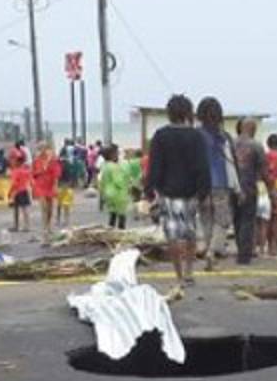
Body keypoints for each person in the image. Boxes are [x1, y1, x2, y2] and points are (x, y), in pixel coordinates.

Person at [146, 94, 211, 287]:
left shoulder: (161, 135)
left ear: (169, 113)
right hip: (191, 192)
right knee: (190, 232)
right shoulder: (196, 136)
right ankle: (190, 270)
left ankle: (179, 275)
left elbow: (154, 165)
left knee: (172, 234)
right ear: (187, 113)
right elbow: (203, 166)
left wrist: (149, 189)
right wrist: (203, 191)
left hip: (168, 192)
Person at [197, 97, 239, 269]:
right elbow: (233, 162)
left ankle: (209, 249)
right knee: (222, 220)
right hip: (221, 182)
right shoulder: (224, 137)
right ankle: (212, 251)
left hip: (201, 183)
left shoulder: (196, 135)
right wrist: (238, 187)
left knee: (206, 219)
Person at [232, 118, 267, 264]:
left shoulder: (231, 144)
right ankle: (244, 255)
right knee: (247, 221)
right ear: (252, 128)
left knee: (237, 220)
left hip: (232, 188)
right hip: (249, 187)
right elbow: (263, 169)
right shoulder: (256, 146)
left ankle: (240, 249)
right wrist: (267, 187)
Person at [32, 142, 62, 240]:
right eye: (40, 148)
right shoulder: (36, 161)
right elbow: (33, 174)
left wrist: (55, 186)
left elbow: (56, 175)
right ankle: (44, 227)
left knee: (50, 209)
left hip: (50, 185)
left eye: (44, 148)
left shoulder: (53, 161)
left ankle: (49, 226)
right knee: (44, 207)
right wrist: (37, 175)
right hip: (40, 186)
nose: (42, 151)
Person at [99, 145, 131, 229]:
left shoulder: (104, 166)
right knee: (122, 215)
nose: (117, 155)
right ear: (111, 155)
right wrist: (127, 184)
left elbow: (102, 181)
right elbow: (119, 181)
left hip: (108, 193)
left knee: (112, 215)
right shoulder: (114, 167)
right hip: (118, 193)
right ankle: (121, 232)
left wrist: (102, 194)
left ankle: (110, 231)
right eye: (116, 153)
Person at [8, 153, 33, 232]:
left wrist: (10, 192)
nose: (13, 162)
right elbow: (31, 181)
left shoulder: (15, 171)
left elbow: (14, 184)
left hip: (17, 191)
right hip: (25, 190)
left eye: (14, 160)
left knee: (16, 209)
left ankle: (16, 226)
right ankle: (27, 226)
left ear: (18, 162)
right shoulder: (26, 170)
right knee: (25, 209)